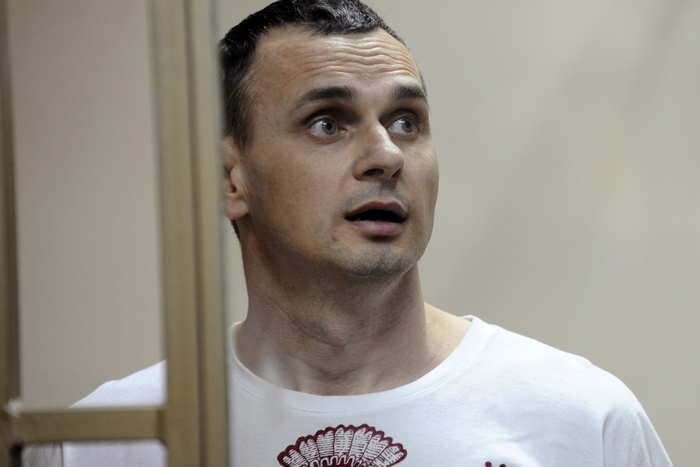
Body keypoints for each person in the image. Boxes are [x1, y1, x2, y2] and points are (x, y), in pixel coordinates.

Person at [26, 0, 671, 465]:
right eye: (327, 123)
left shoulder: (582, 422)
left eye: (406, 120)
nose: (386, 154)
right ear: (229, 179)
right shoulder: (111, 442)